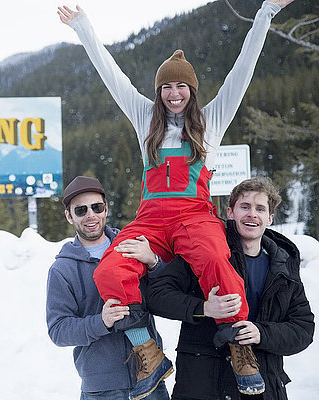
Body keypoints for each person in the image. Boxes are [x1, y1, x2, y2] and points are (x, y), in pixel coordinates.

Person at [57, 1, 295, 397]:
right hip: (150, 221)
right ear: (158, 91)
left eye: (181, 86)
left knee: (218, 260)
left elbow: (243, 71)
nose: (173, 93)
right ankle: (147, 351)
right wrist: (82, 25)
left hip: (195, 217)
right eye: (166, 86)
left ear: (192, 90)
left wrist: (266, 13)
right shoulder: (143, 119)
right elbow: (111, 75)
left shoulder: (212, 122)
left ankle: (239, 347)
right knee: (109, 271)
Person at [146, 177, 315, 399]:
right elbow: (156, 295)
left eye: (260, 209)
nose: (252, 214)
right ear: (230, 212)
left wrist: (261, 333)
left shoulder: (283, 265)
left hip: (263, 387)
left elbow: (303, 329)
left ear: (270, 218)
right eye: (244, 207)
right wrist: (204, 307)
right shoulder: (204, 253)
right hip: (204, 386)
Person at [46, 176, 170, 400]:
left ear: (106, 209)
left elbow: (168, 293)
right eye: (81, 210)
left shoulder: (132, 246)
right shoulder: (62, 269)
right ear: (69, 216)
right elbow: (58, 331)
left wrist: (153, 261)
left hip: (152, 380)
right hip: (102, 389)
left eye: (96, 207)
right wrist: (101, 322)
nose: (90, 215)